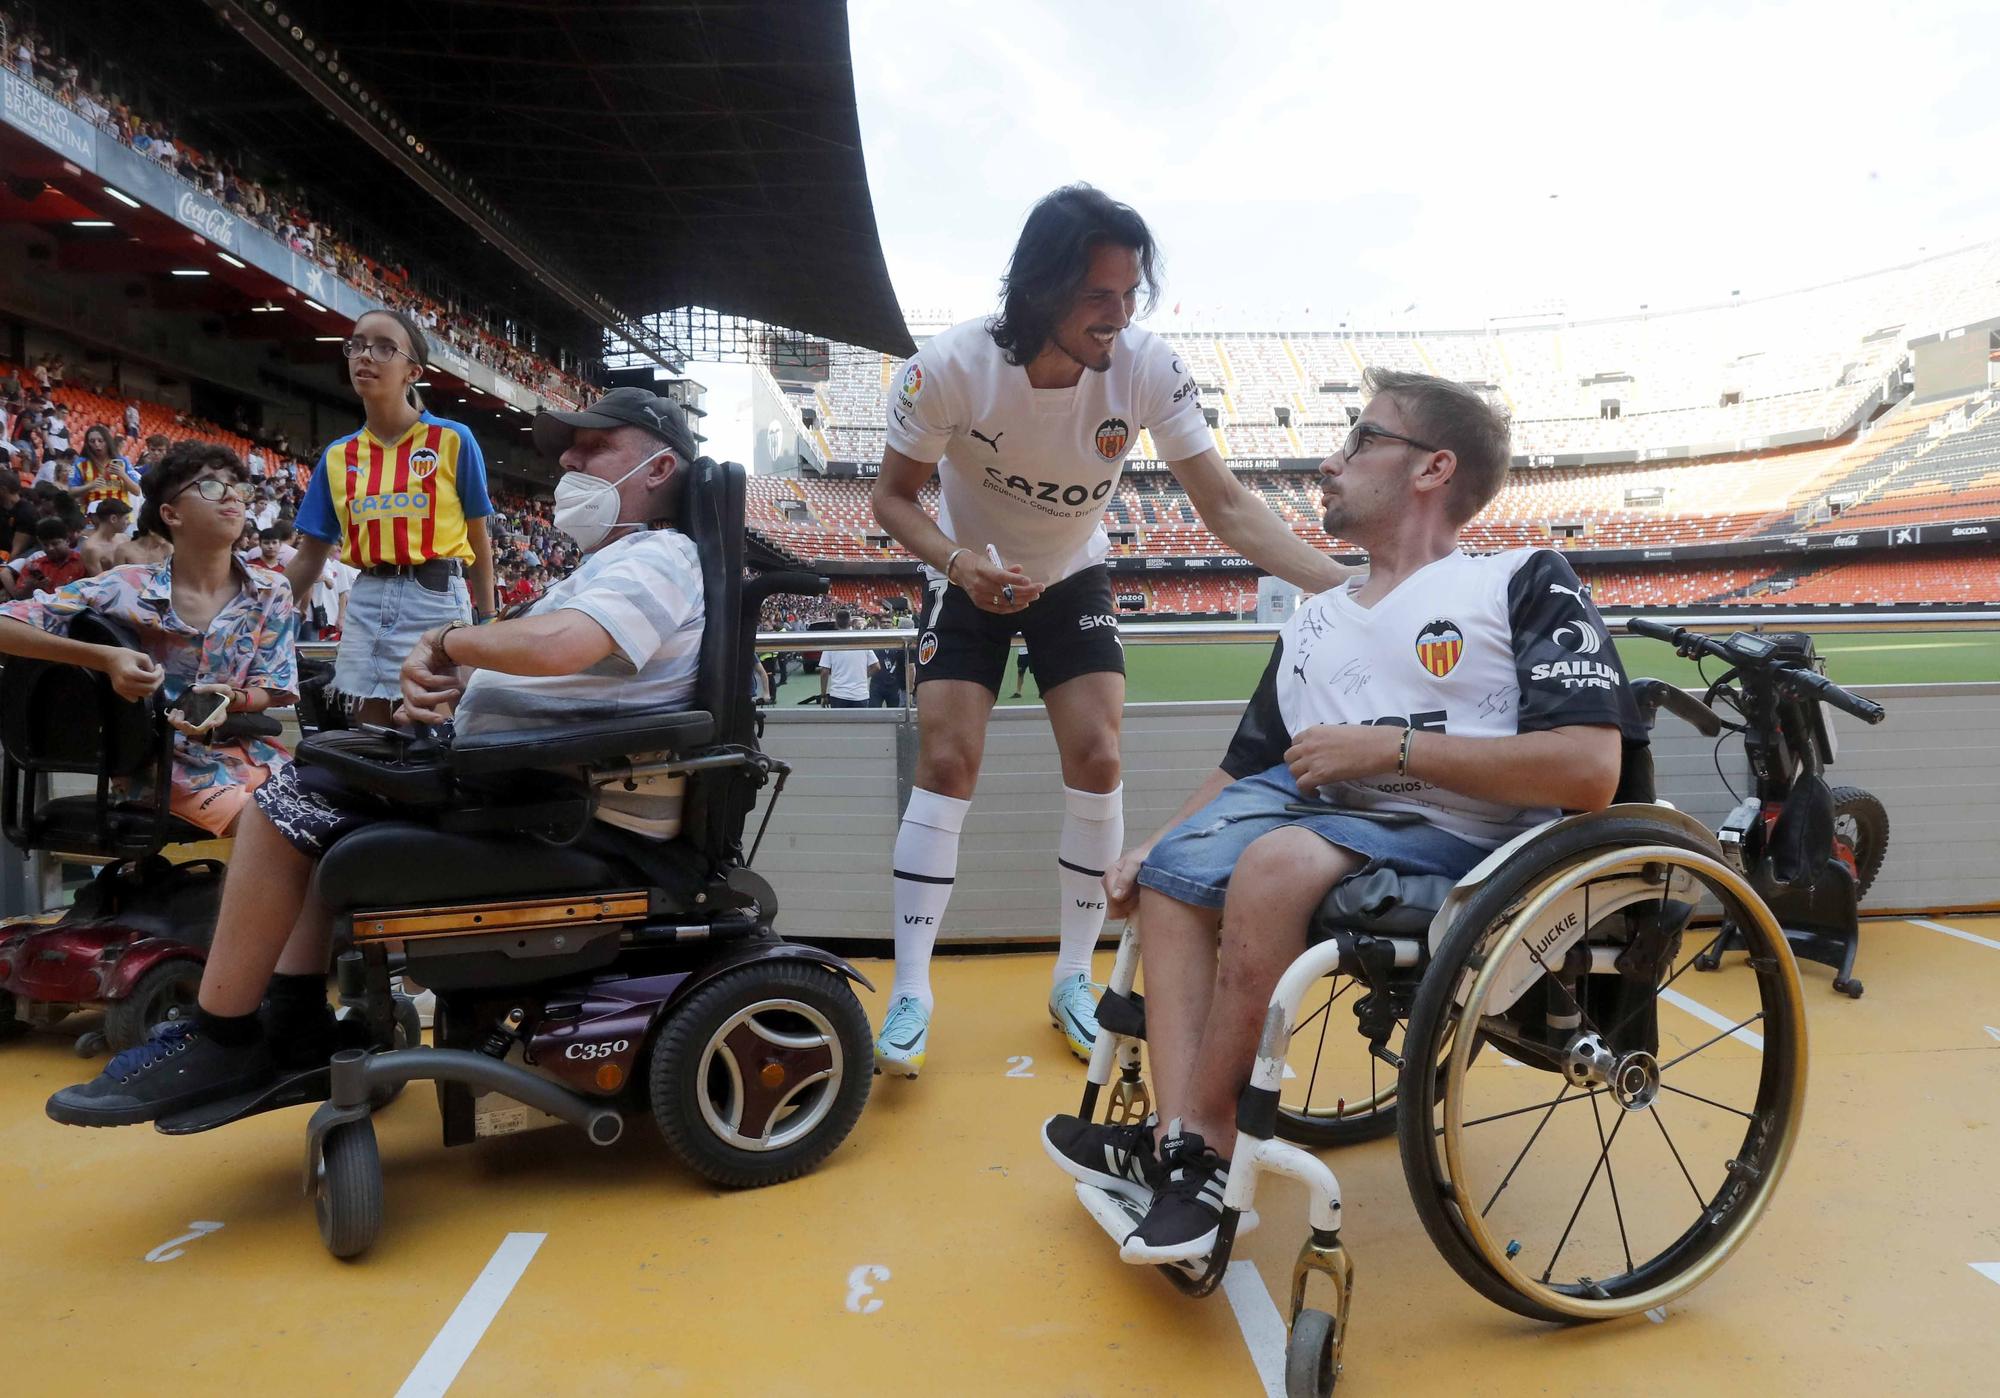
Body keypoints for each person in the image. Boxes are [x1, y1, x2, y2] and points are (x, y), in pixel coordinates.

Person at [1040, 370, 1646, 1263]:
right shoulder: (1314, 622)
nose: (1330, 462)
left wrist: (1388, 750)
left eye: (1361, 440)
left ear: (1434, 468)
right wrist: (1156, 843)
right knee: (1175, 877)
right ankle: (1178, 1149)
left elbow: (1592, 771)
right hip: (1334, 822)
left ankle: (1201, 1154)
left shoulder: (1522, 580)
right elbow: (1244, 767)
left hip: (1471, 842)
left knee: (1275, 862)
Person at [44, 389, 704, 1126]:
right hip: (532, 787)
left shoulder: (661, 555)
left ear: (658, 466)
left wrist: (449, 643)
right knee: (318, 781)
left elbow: (561, 647)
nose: (570, 461)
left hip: (563, 809)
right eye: (569, 448)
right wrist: (459, 687)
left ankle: (227, 1034)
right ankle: (289, 1021)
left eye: (594, 446)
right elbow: (572, 669)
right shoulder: (615, 563)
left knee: (292, 797)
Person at [867, 184, 1350, 1076]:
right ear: (1041, 288)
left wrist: (1352, 589)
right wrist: (959, 564)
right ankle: (909, 992)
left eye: (1131, 295)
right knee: (947, 762)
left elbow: (1229, 508)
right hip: (970, 574)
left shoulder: (1147, 368)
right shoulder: (947, 368)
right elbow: (892, 499)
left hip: (1074, 570)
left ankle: (1071, 980)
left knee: (1097, 754)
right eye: (1099, 296)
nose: (1119, 316)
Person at [0, 442, 295, 843]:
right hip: (159, 767)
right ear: (171, 514)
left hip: (254, 754)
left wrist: (233, 700)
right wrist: (105, 657)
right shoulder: (123, 587)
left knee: (336, 825)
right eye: (210, 486)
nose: (231, 495)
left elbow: (272, 689)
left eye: (237, 487)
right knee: (280, 836)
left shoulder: (271, 590)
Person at [284, 308, 497, 725]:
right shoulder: (337, 456)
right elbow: (310, 556)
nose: (366, 355)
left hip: (435, 597)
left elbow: (478, 539)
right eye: (357, 345)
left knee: (431, 733)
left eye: (384, 348)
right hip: (366, 600)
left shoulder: (452, 439)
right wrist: (261, 616)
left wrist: (487, 620)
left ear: (412, 371)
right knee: (369, 739)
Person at [4, 516, 87, 597]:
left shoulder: (83, 562)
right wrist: (30, 587)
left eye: (55, 543)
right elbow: (19, 597)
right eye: (45, 545)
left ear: (67, 541)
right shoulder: (34, 566)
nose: (50, 548)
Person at [70, 425, 142, 512]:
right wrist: (90, 485)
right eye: (92, 441)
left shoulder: (123, 461)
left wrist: (123, 475)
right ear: (87, 444)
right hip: (92, 516)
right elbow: (71, 492)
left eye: (100, 441)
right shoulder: (78, 463)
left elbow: (137, 491)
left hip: (121, 515)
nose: (96, 444)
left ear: (108, 442)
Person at [817, 609, 874, 708]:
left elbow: (824, 671)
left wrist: (823, 695)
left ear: (836, 623)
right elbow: (876, 666)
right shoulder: (861, 640)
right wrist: (862, 677)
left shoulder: (831, 642)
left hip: (839, 695)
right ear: (850, 622)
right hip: (860, 695)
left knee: (840, 723)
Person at [78, 497, 132, 574]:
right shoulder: (91, 548)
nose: (129, 522)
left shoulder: (125, 539)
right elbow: (99, 581)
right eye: (126, 518)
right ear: (113, 519)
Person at [869, 616, 908, 708]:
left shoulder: (899, 640)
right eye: (883, 622)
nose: (886, 624)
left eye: (888, 622)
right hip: (877, 683)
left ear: (893, 625)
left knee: (895, 713)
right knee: (873, 712)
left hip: (894, 683)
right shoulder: (874, 640)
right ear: (880, 624)